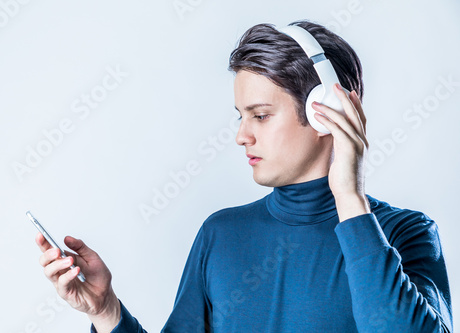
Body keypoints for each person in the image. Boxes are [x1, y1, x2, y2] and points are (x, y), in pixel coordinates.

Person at [35, 20, 453, 332]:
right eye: (241, 117)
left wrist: (349, 195)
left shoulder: (407, 232)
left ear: (326, 112)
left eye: (261, 115)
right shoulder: (221, 234)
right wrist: (106, 311)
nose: (241, 135)